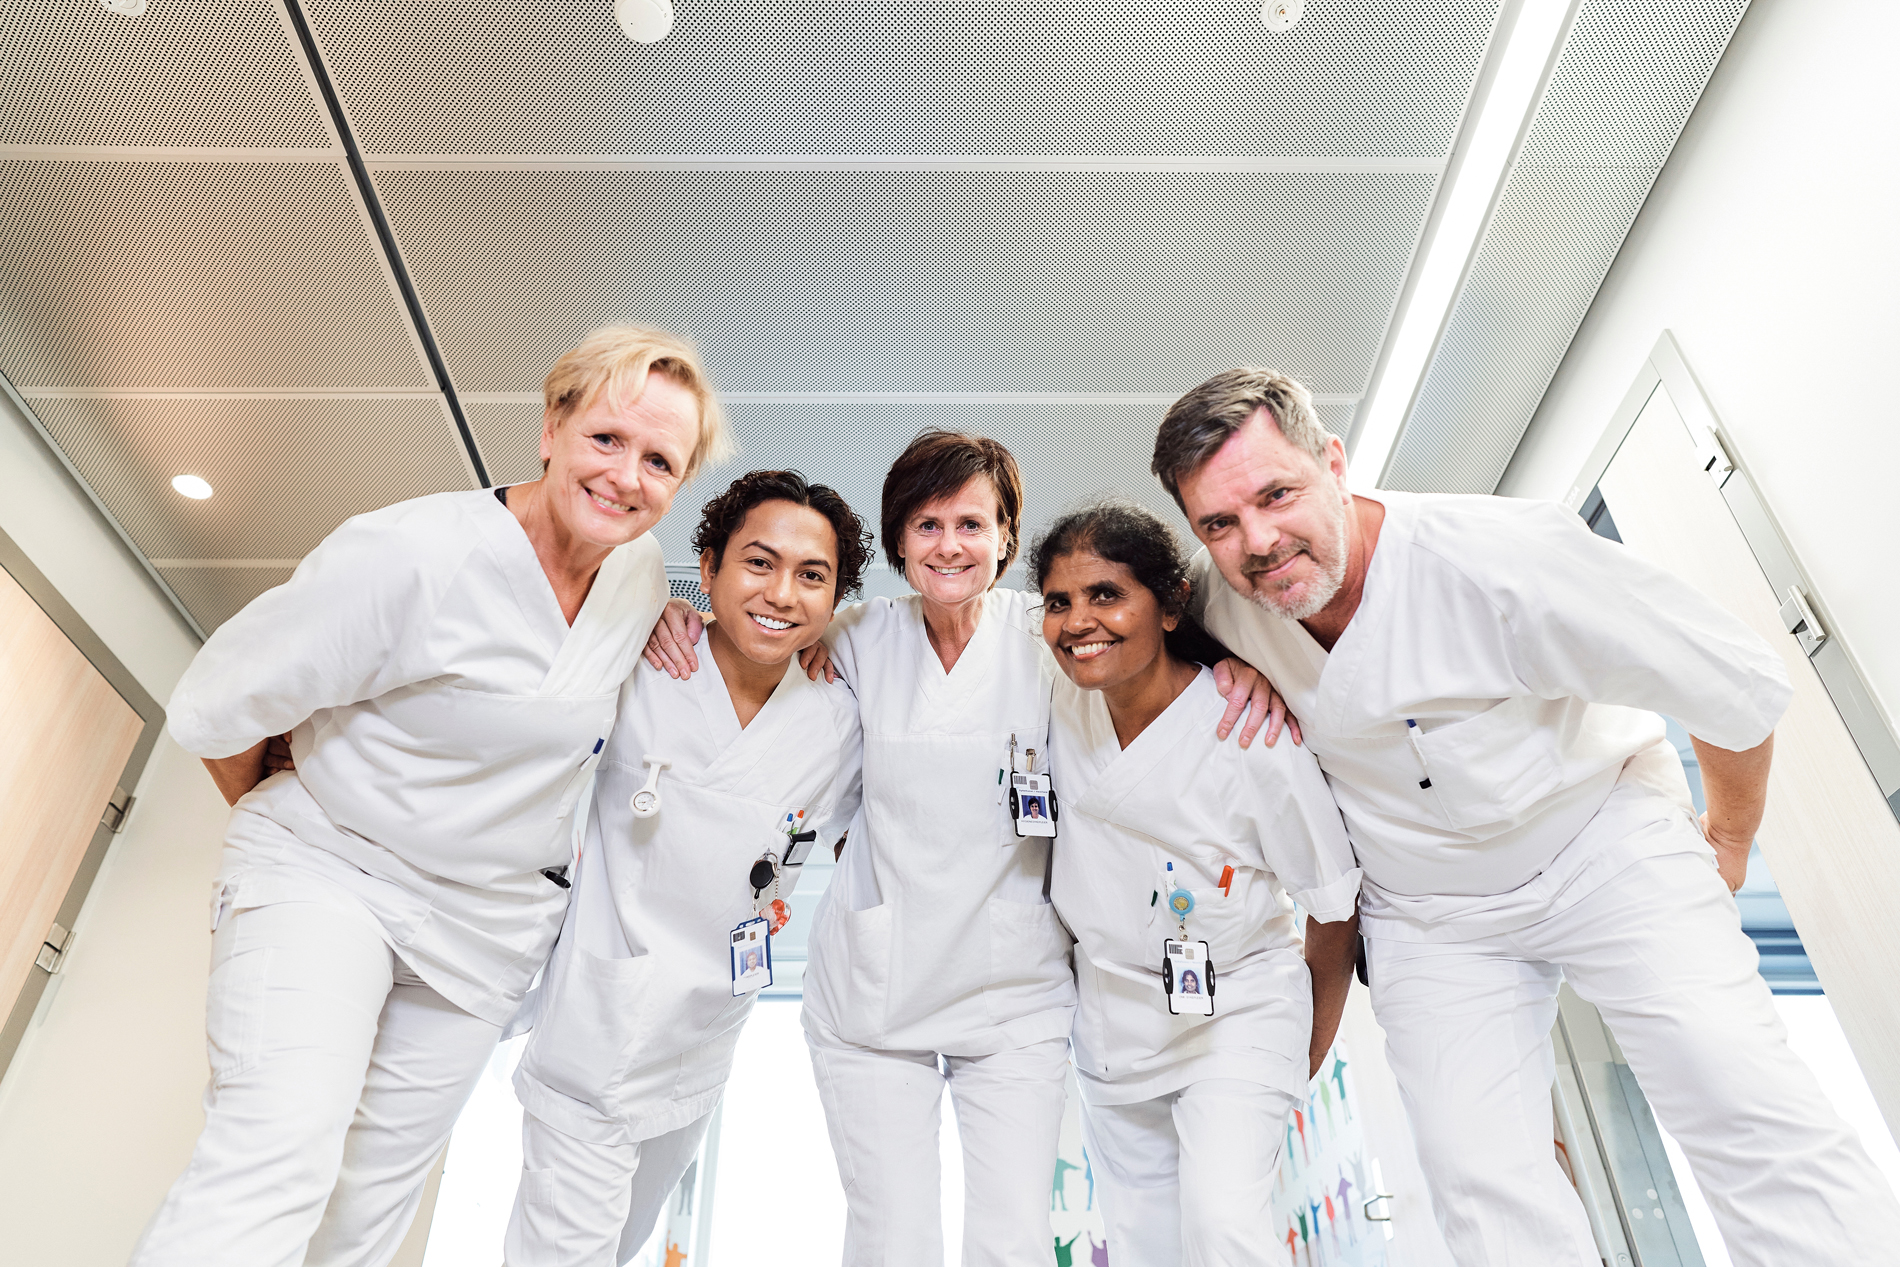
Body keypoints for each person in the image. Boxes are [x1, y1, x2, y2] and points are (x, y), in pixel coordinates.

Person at [1153, 366, 1900, 1265]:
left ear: (1335, 463)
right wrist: (1212, 667)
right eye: (1219, 524)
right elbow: (1141, 650)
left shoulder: (1502, 555)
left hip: (1601, 838)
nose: (1258, 541)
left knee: (1734, 1086)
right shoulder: (1215, 606)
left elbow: (1731, 683)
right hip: (1431, 911)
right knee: (1480, 1180)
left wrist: (1730, 838)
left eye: (1277, 494)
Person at [135, 325, 727, 1267]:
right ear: (551, 426)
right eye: (607, 438)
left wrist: (676, 615)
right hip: (332, 872)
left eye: (659, 460)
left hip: (483, 930)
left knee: (368, 1210)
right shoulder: (414, 552)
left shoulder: (638, 572)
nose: (626, 476)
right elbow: (219, 703)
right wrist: (301, 815)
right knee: (277, 1155)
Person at [643, 432, 1288, 1267]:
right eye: (927, 524)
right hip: (874, 995)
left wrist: (1231, 664)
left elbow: (1151, 640)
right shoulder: (855, 636)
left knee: (1012, 1240)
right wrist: (675, 613)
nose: (950, 545)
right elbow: (755, 635)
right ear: (900, 540)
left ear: (1006, 536)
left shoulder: (1052, 634)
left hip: (1014, 996)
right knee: (891, 1241)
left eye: (972, 524)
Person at [502, 470, 868, 1266]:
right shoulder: (640, 659)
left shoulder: (839, 724)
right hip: (596, 1028)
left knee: (622, 1246)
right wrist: (650, 611)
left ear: (836, 598)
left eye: (812, 575)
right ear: (707, 567)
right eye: (759, 562)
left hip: (702, 1041)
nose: (782, 593)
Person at [1032, 499, 1359, 1267]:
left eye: (1106, 594)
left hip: (1239, 1009)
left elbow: (1333, 906)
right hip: (1115, 1023)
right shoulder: (1050, 699)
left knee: (1222, 1229)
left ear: (1172, 604)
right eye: (1058, 601)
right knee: (1147, 1248)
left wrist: (1299, 1053)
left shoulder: (1248, 726)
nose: (1079, 621)